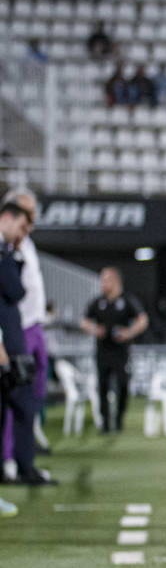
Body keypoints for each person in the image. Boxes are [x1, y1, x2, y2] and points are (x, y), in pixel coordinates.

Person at [1, 191, 50, 475]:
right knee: (15, 398)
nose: (30, 225)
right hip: (13, 333)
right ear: (10, 214)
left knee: (26, 397)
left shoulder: (17, 246)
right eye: (26, 218)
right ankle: (12, 461)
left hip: (26, 326)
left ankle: (22, 460)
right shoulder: (8, 246)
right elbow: (15, 291)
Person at [79, 267, 147, 433]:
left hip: (121, 352)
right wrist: (95, 330)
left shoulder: (127, 300)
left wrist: (129, 332)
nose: (103, 283)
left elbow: (143, 319)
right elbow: (84, 322)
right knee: (102, 386)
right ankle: (105, 422)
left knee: (123, 385)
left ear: (116, 281)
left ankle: (119, 419)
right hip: (103, 351)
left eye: (106, 280)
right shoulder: (98, 302)